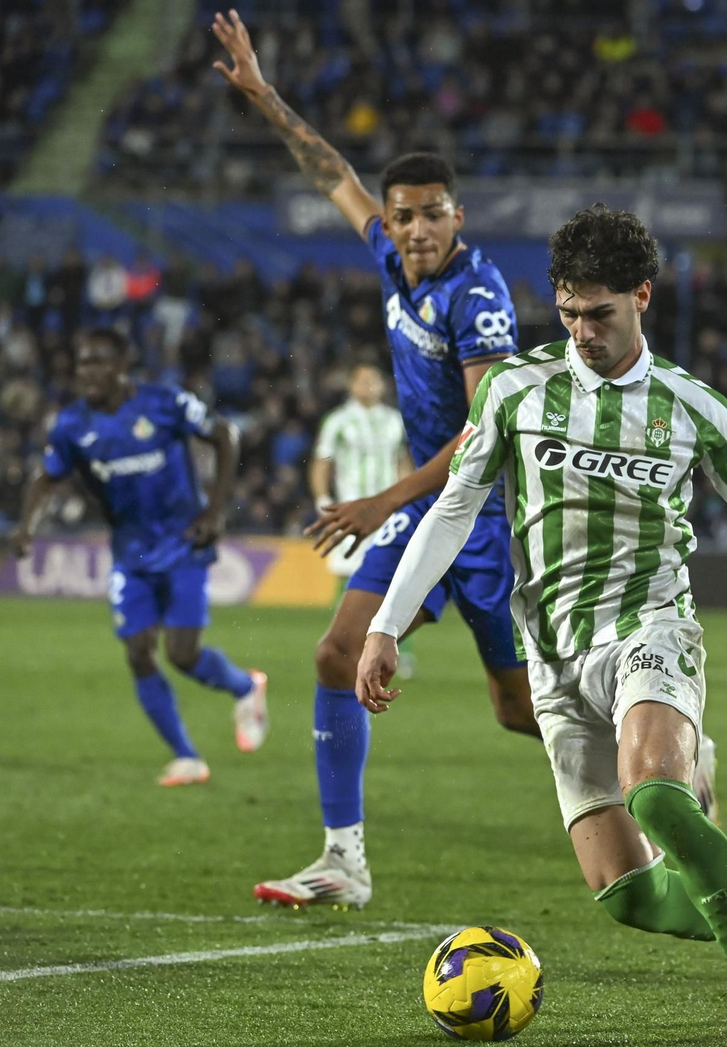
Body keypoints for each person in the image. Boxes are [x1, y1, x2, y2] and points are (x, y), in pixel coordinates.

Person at [356, 205, 727, 1042]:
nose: (582, 331)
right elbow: (454, 508)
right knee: (629, 895)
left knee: (658, 794)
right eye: (569, 312)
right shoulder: (515, 389)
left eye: (600, 314)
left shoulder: (693, 407)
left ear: (642, 297)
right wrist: (386, 625)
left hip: (651, 629)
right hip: (552, 657)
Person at [212, 10, 540, 910]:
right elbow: (333, 173)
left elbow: (486, 433)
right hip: (423, 514)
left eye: (435, 214)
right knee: (334, 654)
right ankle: (343, 860)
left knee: (519, 709)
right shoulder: (394, 264)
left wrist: (377, 500)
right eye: (405, 217)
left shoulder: (477, 297)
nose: (418, 228)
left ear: (457, 217)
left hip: (488, 520)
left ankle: (661, 757)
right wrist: (265, 95)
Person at [10, 329, 267, 787]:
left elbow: (225, 435)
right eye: (82, 363)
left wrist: (215, 510)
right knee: (137, 652)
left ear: (121, 364)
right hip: (130, 553)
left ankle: (246, 687)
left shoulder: (164, 403)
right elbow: (46, 478)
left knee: (182, 655)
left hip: (185, 543)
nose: (88, 372)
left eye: (98, 362)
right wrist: (27, 526)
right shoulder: (72, 424)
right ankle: (187, 757)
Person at [310, 363, 411, 581]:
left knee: (390, 571)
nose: (368, 385)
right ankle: (343, 615)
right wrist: (322, 499)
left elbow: (401, 462)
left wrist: (407, 500)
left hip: (388, 507)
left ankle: (380, 616)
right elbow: (323, 460)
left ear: (383, 386)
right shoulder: (337, 420)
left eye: (373, 380)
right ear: (351, 385)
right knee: (347, 568)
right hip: (351, 505)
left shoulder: (395, 420)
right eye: (362, 380)